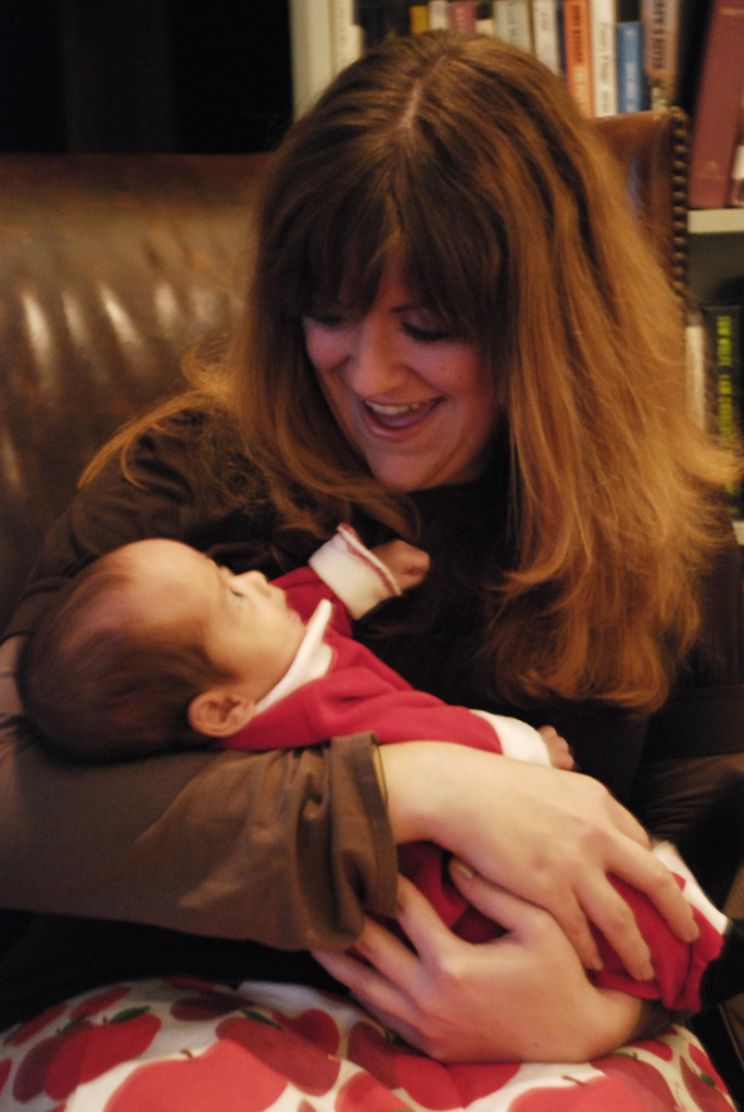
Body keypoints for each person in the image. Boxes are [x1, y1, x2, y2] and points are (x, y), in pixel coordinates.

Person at [1, 26, 742, 1101]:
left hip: (552, 1024)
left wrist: (605, 1014)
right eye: (330, 314)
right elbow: (13, 798)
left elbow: (704, 838)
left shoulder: (669, 527)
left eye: (428, 325)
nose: (372, 375)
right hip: (179, 1000)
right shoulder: (188, 484)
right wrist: (417, 789)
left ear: (549, 321)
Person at [16, 529, 744, 1020]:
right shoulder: (310, 709)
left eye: (227, 571)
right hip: (451, 893)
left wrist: (356, 573)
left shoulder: (251, 667)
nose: (254, 579)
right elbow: (425, 734)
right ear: (221, 711)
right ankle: (702, 960)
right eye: (232, 595)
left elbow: (306, 604)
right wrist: (523, 750)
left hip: (536, 973)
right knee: (599, 911)